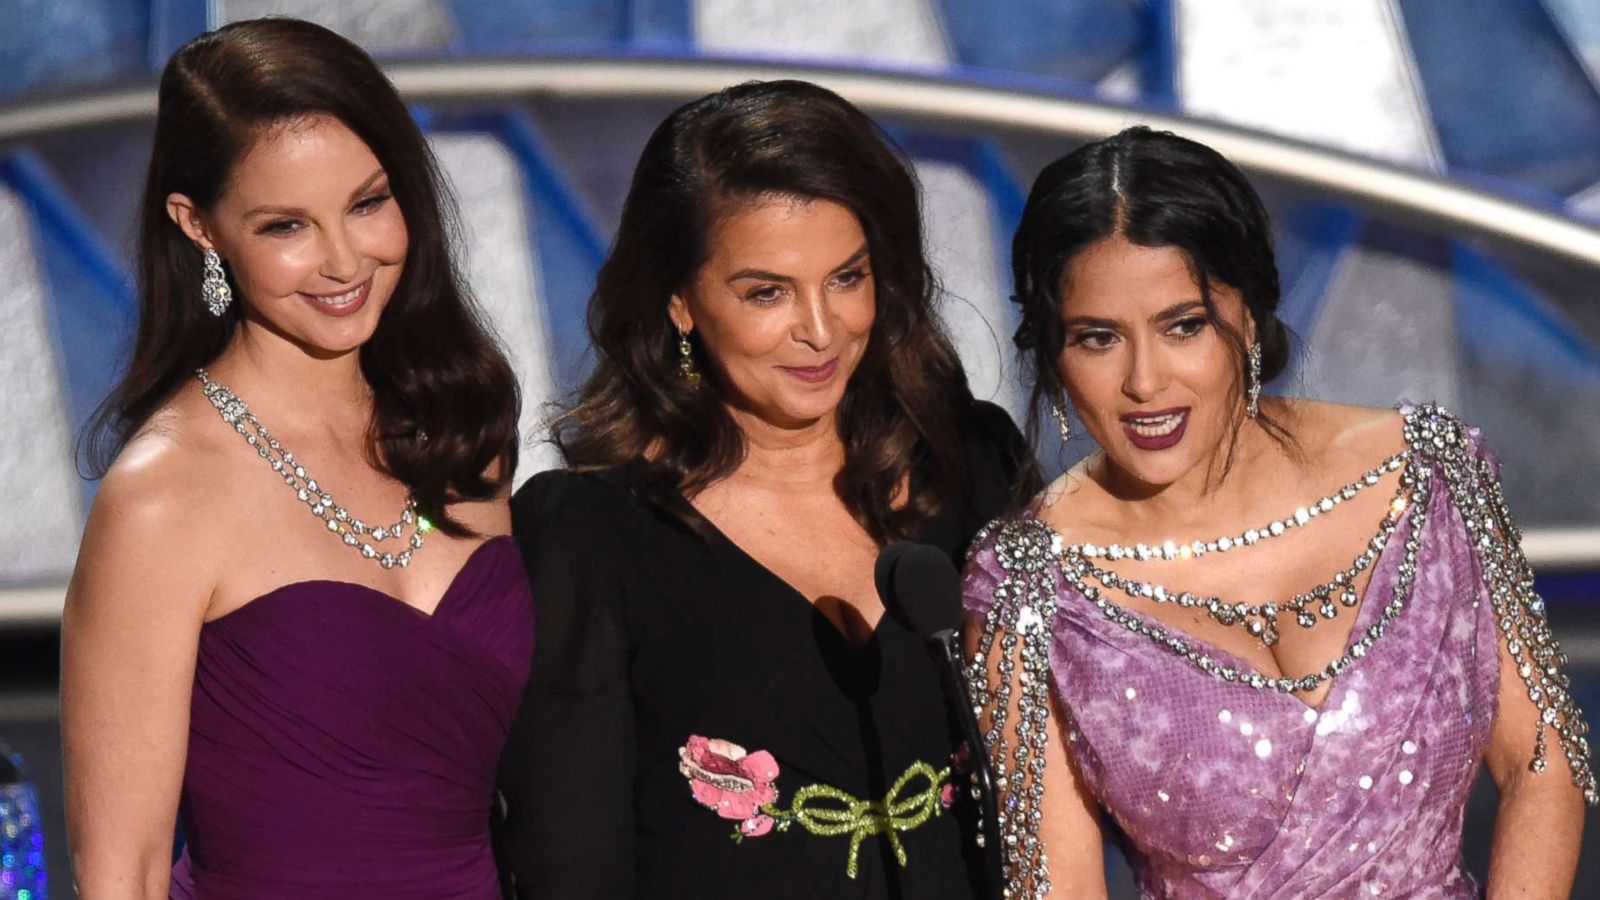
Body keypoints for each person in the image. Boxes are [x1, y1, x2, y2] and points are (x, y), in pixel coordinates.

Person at [963, 126, 1594, 899]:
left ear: (1250, 316)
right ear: (1056, 355)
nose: (1144, 381)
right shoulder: (1030, 588)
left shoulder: (1428, 474)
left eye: (1183, 325)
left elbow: (1543, 762)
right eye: (1098, 339)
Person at [495, 80, 1034, 899]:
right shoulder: (590, 535)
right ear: (681, 304)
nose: (820, 330)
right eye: (766, 293)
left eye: (847, 279)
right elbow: (571, 865)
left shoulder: (968, 465)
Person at [60, 19, 528, 899]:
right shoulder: (164, 496)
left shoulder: (462, 430)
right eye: (287, 226)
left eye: (367, 202)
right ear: (200, 228)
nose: (346, 260)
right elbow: (120, 873)